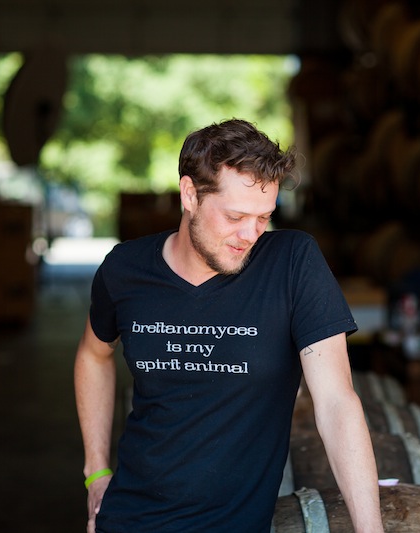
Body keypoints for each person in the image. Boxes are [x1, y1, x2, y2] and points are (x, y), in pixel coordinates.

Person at [74, 118, 384, 532]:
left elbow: (336, 403)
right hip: (130, 517)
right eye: (236, 216)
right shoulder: (125, 269)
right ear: (190, 194)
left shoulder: (291, 263)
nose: (250, 233)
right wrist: (96, 472)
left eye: (264, 217)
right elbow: (94, 354)